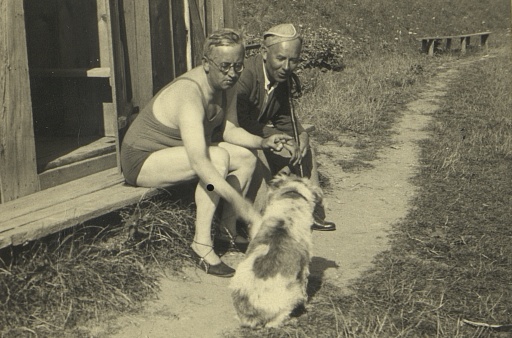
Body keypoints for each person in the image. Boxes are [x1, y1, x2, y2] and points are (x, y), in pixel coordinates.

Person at [120, 29, 291, 277]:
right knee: (218, 160)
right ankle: (201, 245)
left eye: (238, 66)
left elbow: (230, 130)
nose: (232, 73)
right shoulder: (189, 94)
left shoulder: (227, 84)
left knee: (244, 156)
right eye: (224, 66)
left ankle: (227, 231)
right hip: (143, 160)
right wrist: (241, 203)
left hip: (176, 154)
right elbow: (200, 163)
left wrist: (262, 142)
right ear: (205, 64)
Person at [234, 23, 336, 231]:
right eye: (280, 58)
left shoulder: (282, 80)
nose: (287, 66)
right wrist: (276, 135)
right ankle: (255, 222)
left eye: (294, 60)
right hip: (234, 137)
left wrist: (300, 135)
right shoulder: (245, 75)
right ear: (264, 53)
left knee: (305, 149)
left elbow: (284, 118)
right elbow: (239, 121)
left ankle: (310, 212)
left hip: (256, 134)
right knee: (260, 155)